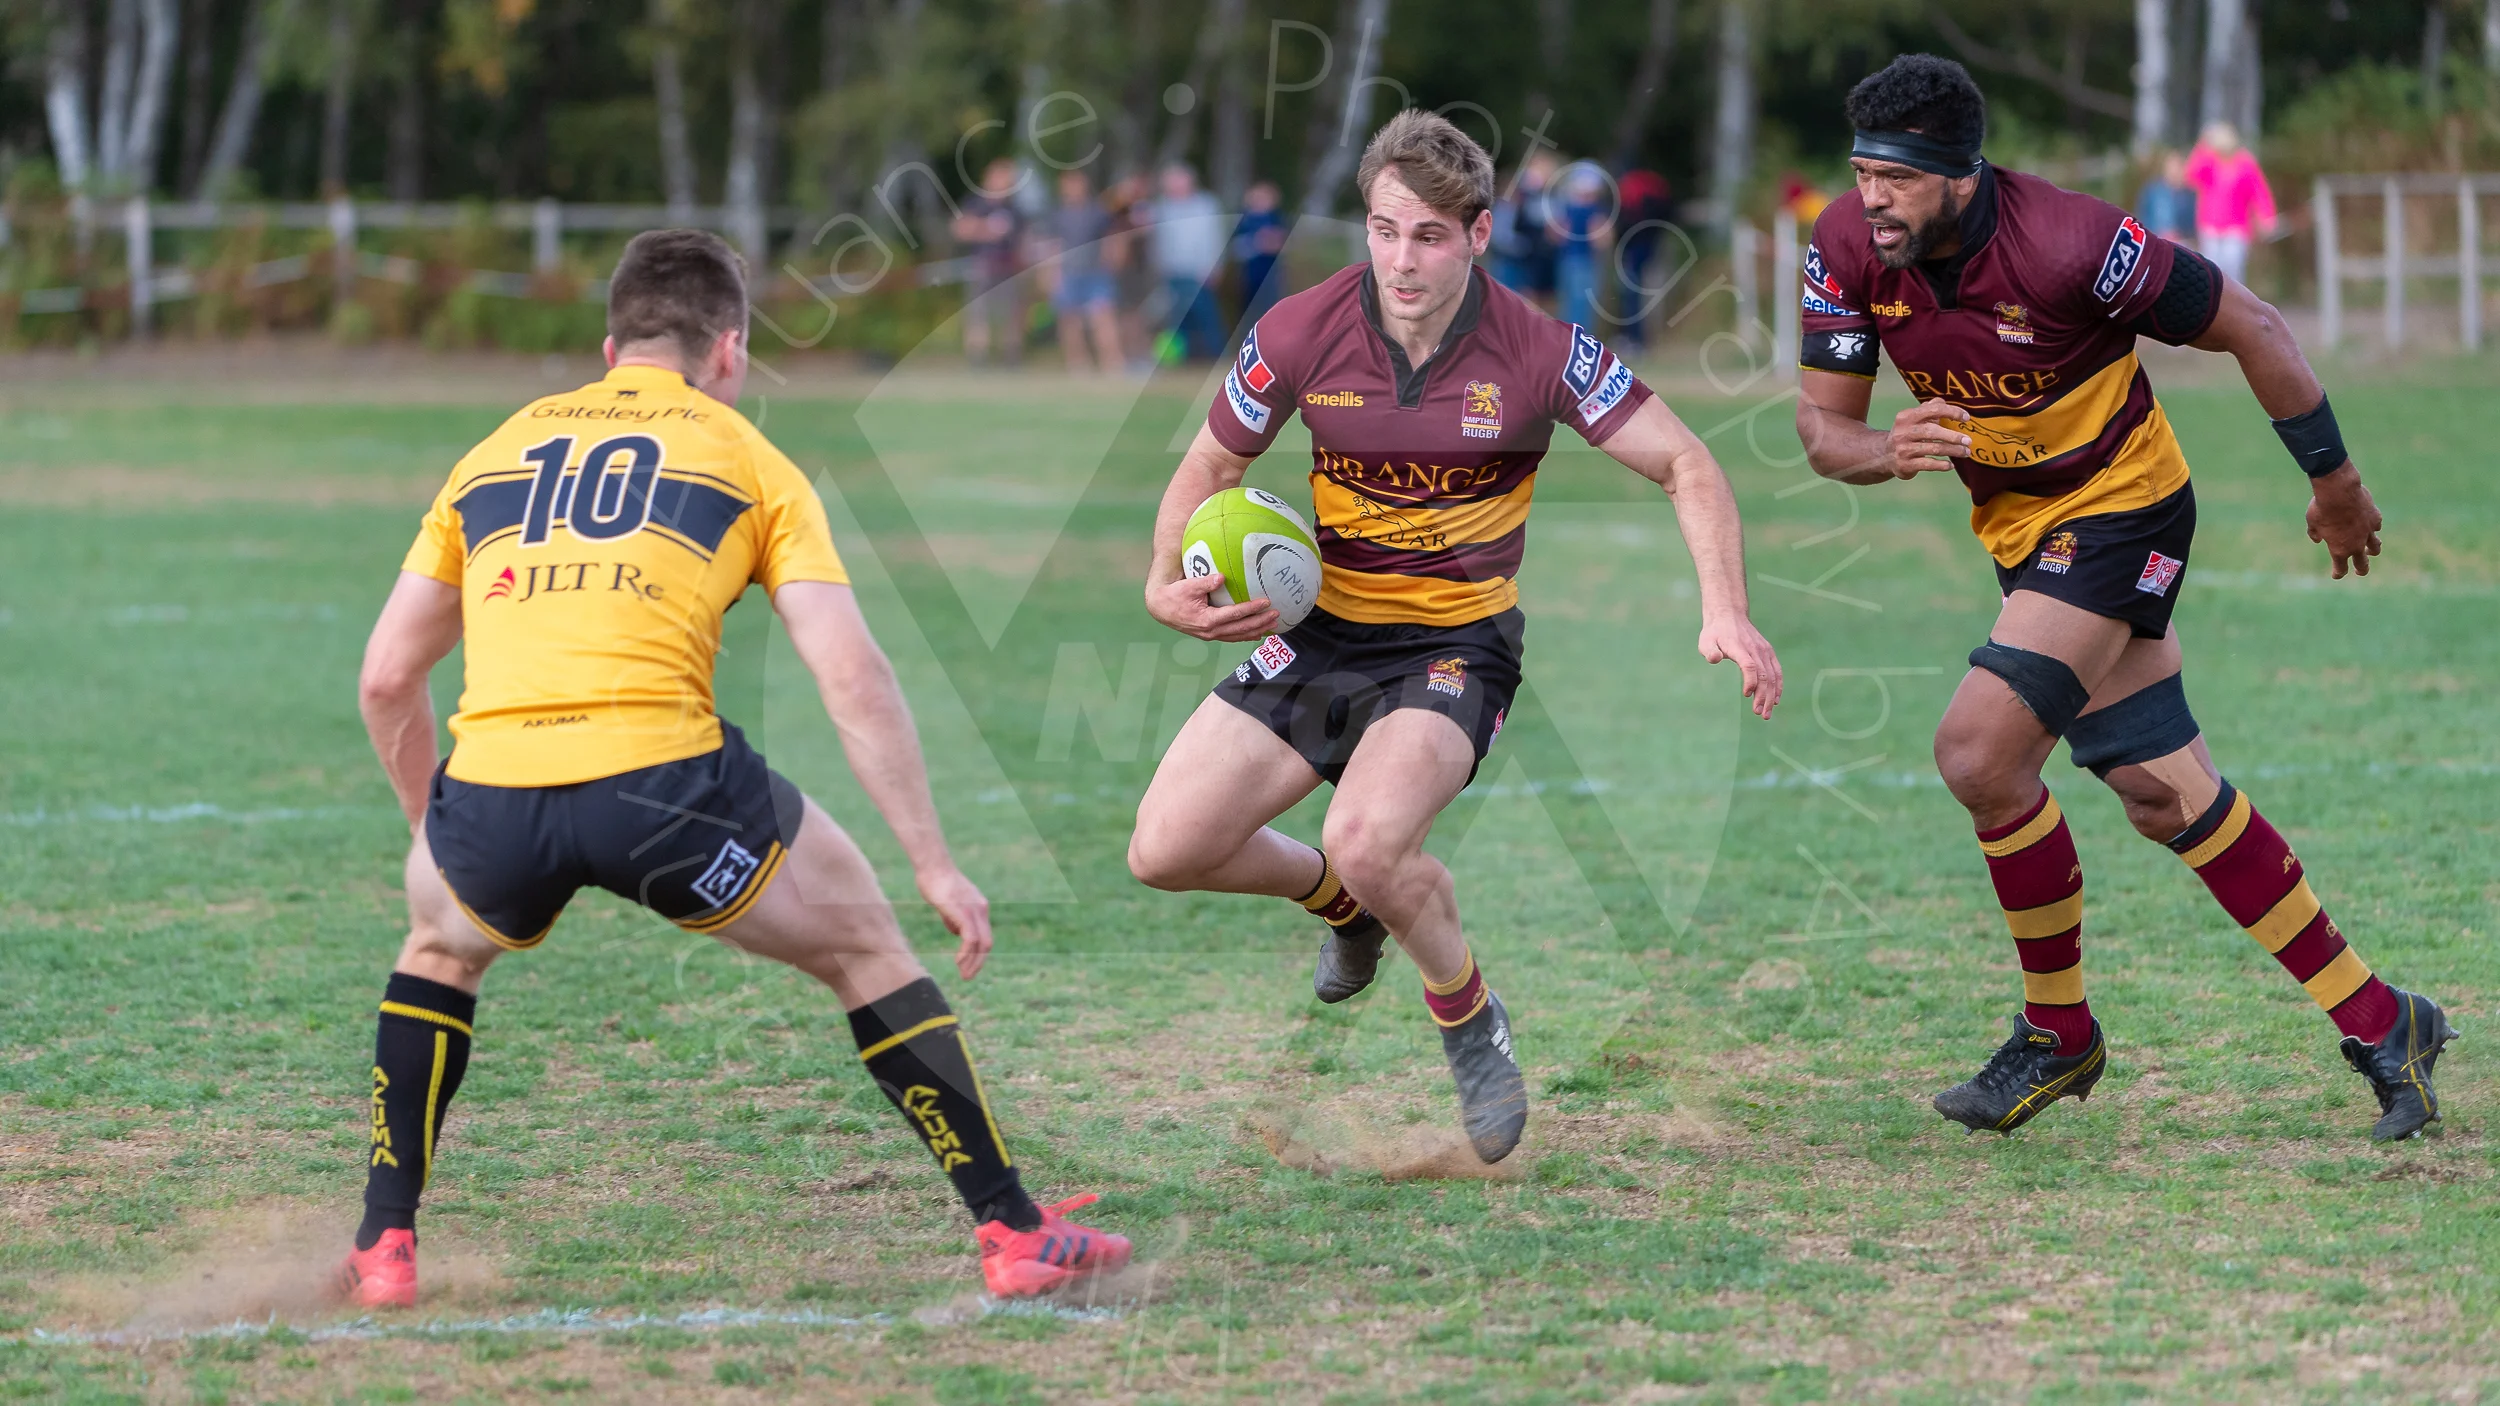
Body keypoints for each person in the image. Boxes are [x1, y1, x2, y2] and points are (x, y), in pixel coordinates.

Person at [333, 230, 1130, 1310]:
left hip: (496, 793)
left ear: (610, 348)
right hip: (663, 789)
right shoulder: (749, 458)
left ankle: (384, 1246)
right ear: (729, 351)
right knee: (867, 947)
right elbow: (851, 673)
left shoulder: (494, 452)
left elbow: (388, 677)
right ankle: (1011, 1227)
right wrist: (934, 862)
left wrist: (436, 829)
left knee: (437, 951)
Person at [1793, 56, 2451, 1142]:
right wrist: (1884, 450)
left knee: (1977, 755)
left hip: (2123, 513)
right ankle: (2388, 1020)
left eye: (1896, 178)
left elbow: (2255, 324)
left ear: (1960, 173)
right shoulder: (1846, 245)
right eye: (1862, 173)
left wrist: (2335, 482)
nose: (1872, 199)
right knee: (2162, 791)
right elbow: (1824, 429)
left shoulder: (2075, 244)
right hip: (2022, 534)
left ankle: (2058, 1030)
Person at [1126, 111, 1783, 1165]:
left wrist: (1725, 607)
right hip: (1323, 636)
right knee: (1165, 849)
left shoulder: (1537, 348)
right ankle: (1345, 910)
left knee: (1370, 836)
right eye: (1385, 230)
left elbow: (1685, 463)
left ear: (1478, 234)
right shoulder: (1299, 329)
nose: (1401, 260)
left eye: (1429, 236)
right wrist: (1165, 583)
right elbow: (1209, 464)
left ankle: (1469, 1015)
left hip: (1453, 648)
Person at [952, 157, 1029, 365]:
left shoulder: (1015, 209)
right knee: (978, 315)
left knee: (1011, 315)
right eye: (1004, 178)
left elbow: (1023, 241)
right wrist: (987, 229)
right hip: (981, 268)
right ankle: (978, 360)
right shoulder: (976, 203)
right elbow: (960, 229)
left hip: (1008, 270)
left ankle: (1011, 359)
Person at [1148, 162, 1228, 361]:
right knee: (1176, 319)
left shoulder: (1206, 205)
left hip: (1200, 272)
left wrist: (1215, 265)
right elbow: (1158, 241)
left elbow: (1216, 238)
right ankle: (1179, 359)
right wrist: (1158, 265)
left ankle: (1217, 356)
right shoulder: (1163, 208)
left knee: (1206, 316)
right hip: (1172, 272)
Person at [1044, 168, 1122, 373]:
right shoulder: (1057, 215)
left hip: (1097, 273)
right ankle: (1078, 364)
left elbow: (1110, 240)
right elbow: (1053, 246)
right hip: (1068, 274)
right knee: (1070, 321)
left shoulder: (1098, 212)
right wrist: (1052, 275)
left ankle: (1112, 362)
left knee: (1103, 318)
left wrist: (1111, 264)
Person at [2183, 123, 2275, 286]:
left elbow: (2259, 191)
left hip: (2236, 227)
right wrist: (2201, 147)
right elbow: (2191, 174)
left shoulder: (2245, 163)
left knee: (2234, 270)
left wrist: (2266, 216)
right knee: (2211, 270)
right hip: (2210, 226)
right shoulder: (2210, 161)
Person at [1551, 161, 1613, 332]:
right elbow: (1601, 240)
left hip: (1569, 260)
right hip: (1584, 262)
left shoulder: (1568, 209)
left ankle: (1568, 339)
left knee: (1571, 305)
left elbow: (1557, 236)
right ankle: (1578, 340)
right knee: (1581, 307)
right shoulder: (1594, 211)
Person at [1231, 179, 1290, 340]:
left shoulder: (1276, 219)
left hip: (1271, 273)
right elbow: (1236, 248)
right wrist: (1257, 243)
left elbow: (1283, 243)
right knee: (1248, 312)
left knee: (1272, 308)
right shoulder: (1244, 221)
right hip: (1249, 275)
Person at [2136, 148, 2197, 245]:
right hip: (2157, 241)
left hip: (2182, 242)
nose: (2174, 171)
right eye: (2171, 166)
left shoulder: (2189, 194)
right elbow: (2144, 215)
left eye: (2177, 166)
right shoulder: (2153, 191)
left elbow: (2193, 222)